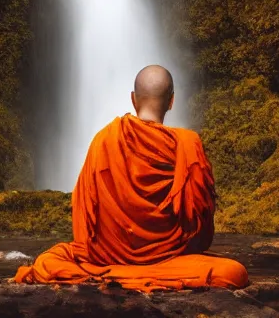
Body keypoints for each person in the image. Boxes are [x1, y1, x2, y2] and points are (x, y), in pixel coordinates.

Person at [15, 65, 248, 292]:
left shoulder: (104, 140)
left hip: (109, 258)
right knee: (233, 273)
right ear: (172, 101)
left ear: (133, 99)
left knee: (49, 262)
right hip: (170, 260)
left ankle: (123, 272)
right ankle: (153, 272)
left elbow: (85, 221)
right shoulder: (188, 145)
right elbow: (200, 226)